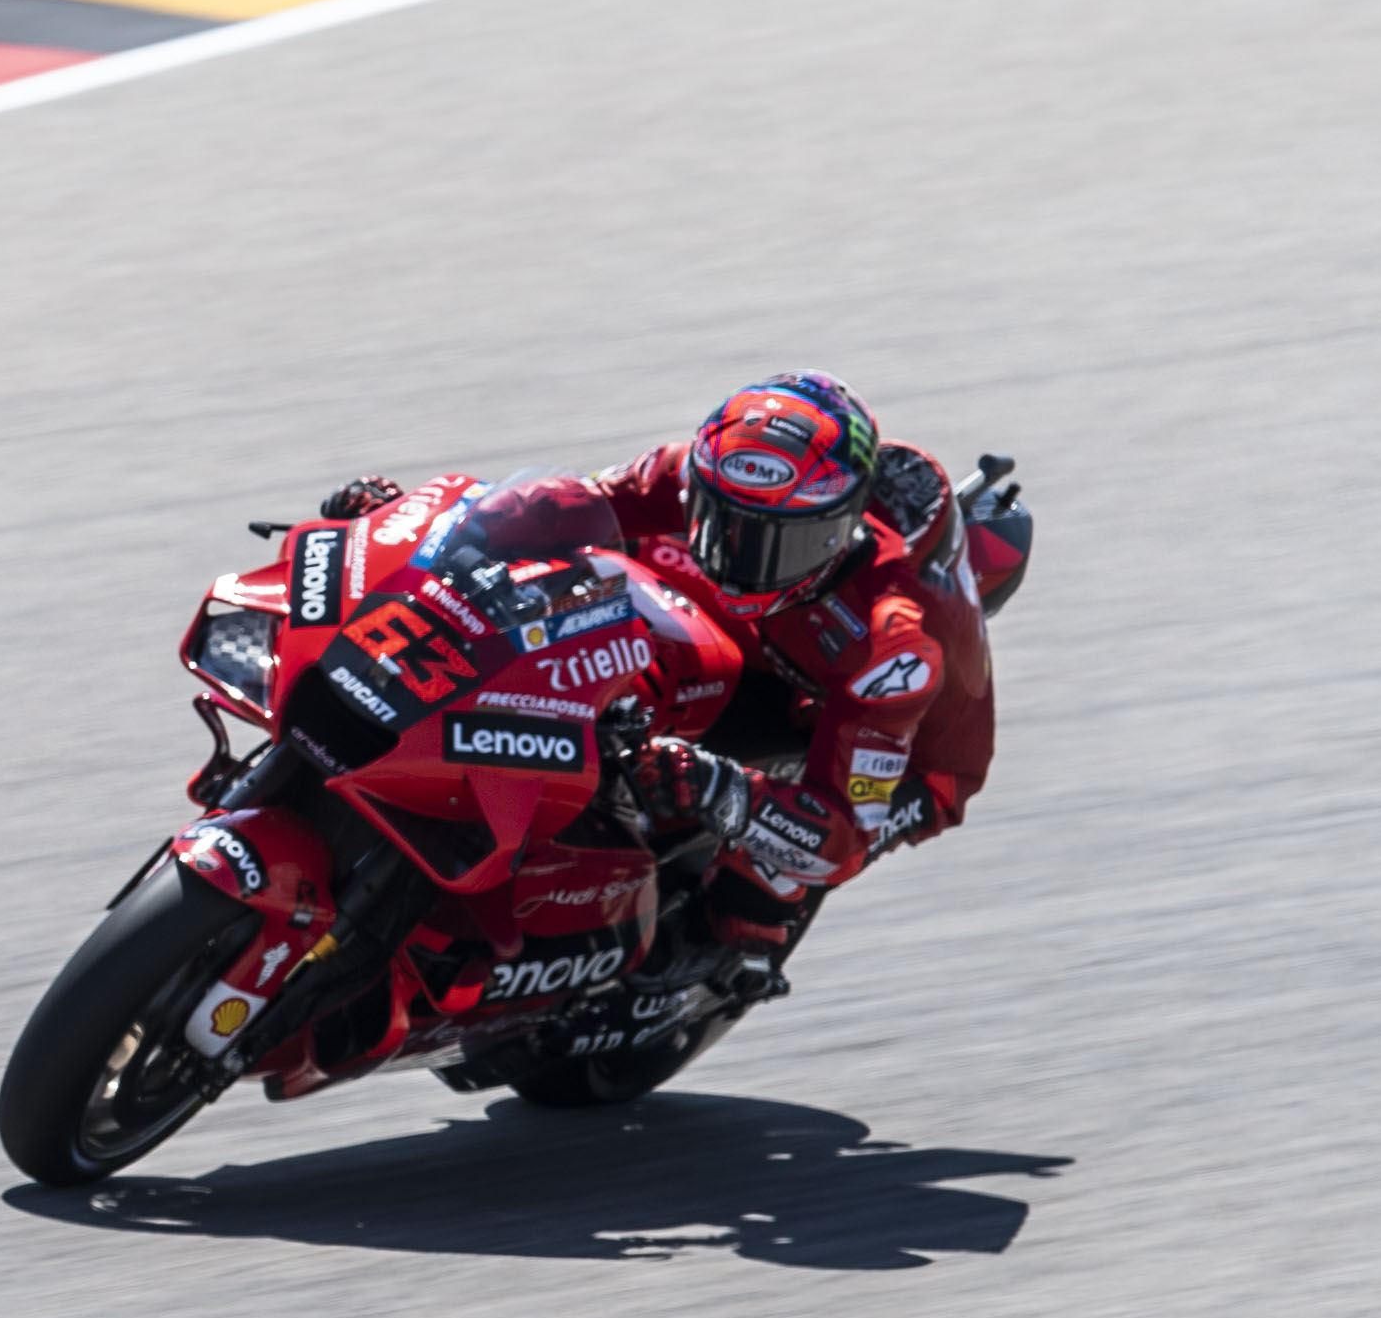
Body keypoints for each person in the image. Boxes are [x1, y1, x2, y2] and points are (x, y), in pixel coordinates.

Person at [328, 371, 994, 966]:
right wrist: (417, 528)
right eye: (719, 521)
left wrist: (718, 789)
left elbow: (843, 832)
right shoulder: (698, 476)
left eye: (772, 543)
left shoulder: (893, 646)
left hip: (893, 752)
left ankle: (688, 973)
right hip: (757, 640)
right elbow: (563, 506)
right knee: (581, 585)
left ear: (836, 530)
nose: (735, 557)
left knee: (757, 894)